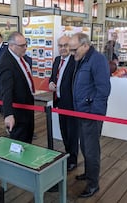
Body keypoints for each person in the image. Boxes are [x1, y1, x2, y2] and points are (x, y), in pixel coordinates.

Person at [69, 32, 111, 198]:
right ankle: (88, 173)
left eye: (74, 49)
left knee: (91, 149)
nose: (72, 53)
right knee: (85, 146)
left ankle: (93, 184)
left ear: (85, 45)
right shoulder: (82, 59)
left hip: (91, 115)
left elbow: (103, 90)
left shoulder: (97, 60)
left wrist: (94, 114)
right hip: (82, 112)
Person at [0, 31, 35, 143]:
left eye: (26, 44)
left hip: (27, 107)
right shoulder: (6, 63)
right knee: (19, 142)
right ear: (11, 46)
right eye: (22, 46)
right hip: (18, 112)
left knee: (28, 140)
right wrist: (8, 114)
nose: (25, 48)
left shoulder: (21, 57)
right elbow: (6, 90)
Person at [48, 35, 78, 172]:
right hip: (59, 102)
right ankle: (68, 154)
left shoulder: (75, 61)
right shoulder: (57, 60)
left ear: (70, 46)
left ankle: (73, 160)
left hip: (71, 104)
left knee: (72, 133)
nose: (62, 48)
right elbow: (53, 76)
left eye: (65, 45)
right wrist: (50, 83)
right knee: (64, 131)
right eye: (60, 46)